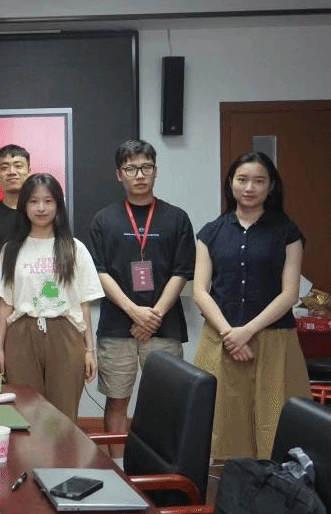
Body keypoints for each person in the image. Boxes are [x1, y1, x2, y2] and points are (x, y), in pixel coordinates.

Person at [192, 151, 309, 460]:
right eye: (242, 180)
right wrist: (230, 333)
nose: (249, 187)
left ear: (271, 186)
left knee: (274, 423)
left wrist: (246, 332)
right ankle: (224, 485)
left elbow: (290, 294)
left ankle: (272, 485)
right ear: (230, 183)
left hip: (273, 342)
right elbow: (200, 291)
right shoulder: (211, 233)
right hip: (220, 341)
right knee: (221, 425)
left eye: (259, 181)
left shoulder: (287, 233)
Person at [88, 140, 195, 456]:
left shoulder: (176, 218)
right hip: (117, 326)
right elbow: (99, 271)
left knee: (167, 401)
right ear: (119, 174)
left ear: (155, 171)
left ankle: (161, 468)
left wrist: (153, 315)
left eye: (146, 167)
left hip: (164, 326)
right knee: (116, 401)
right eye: (131, 168)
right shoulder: (103, 219)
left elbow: (182, 271)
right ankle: (119, 468)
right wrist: (135, 311)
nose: (139, 175)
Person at [0, 173, 103, 421]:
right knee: (26, 411)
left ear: (58, 205)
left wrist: (89, 350)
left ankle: (62, 450)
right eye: (33, 201)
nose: (41, 208)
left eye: (48, 201)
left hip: (65, 334)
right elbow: (5, 304)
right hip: (21, 334)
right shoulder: (11, 249)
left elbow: (83, 304)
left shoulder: (74, 248)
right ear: (24, 206)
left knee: (62, 415)